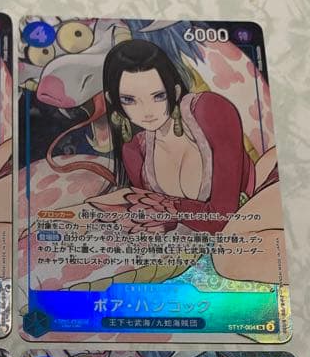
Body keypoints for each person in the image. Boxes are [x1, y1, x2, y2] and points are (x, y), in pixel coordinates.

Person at [94, 39, 278, 235]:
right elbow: (160, 221)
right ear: (112, 100)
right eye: (129, 100)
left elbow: (220, 218)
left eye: (158, 96)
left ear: (175, 91)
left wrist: (169, 207)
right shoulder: (134, 150)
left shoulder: (210, 110)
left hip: (259, 215)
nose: (147, 111)